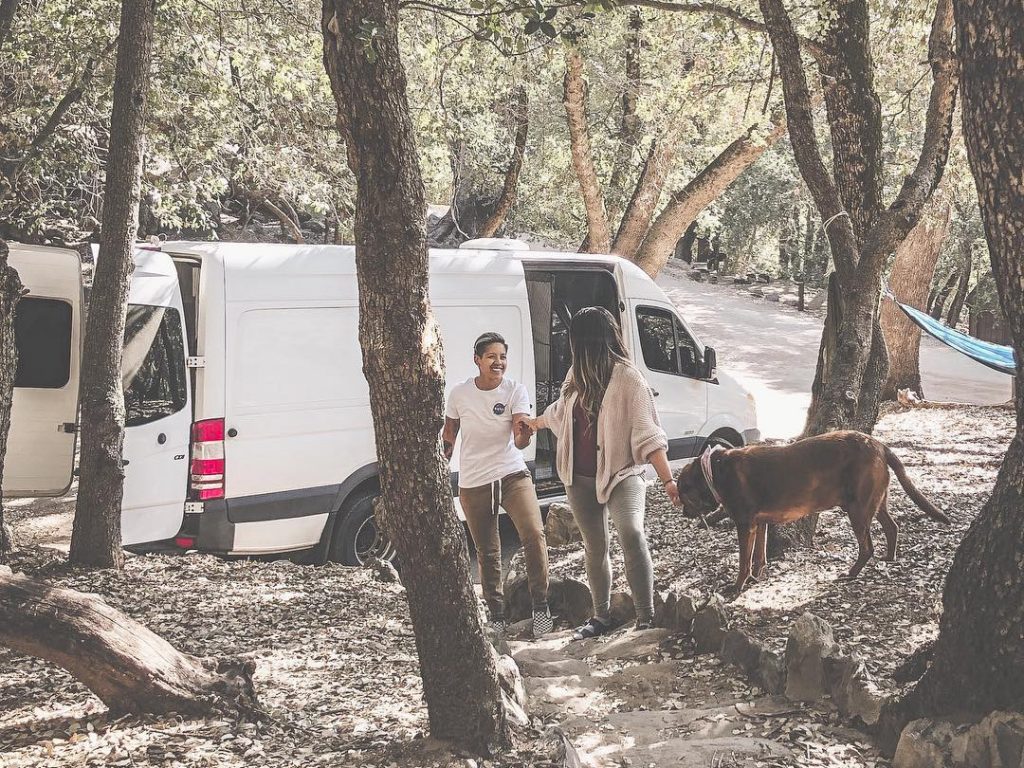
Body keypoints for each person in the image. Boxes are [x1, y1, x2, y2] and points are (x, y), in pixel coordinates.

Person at [530, 307, 680, 639]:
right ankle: (601, 617)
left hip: (622, 473)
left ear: (584, 340)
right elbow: (559, 413)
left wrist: (668, 480)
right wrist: (534, 423)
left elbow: (648, 433)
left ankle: (646, 616)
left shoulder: (629, 378)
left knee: (631, 533)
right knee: (594, 546)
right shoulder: (575, 375)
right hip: (578, 477)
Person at [443, 332, 552, 638]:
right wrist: (445, 451)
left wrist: (524, 434)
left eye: (503, 356)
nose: (498, 362)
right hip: (475, 480)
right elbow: (450, 429)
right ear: (477, 360)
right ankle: (497, 615)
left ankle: (540, 606)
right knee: (488, 551)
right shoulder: (460, 394)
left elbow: (518, 439)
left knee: (533, 533)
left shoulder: (515, 390)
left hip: (511, 474)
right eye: (491, 356)